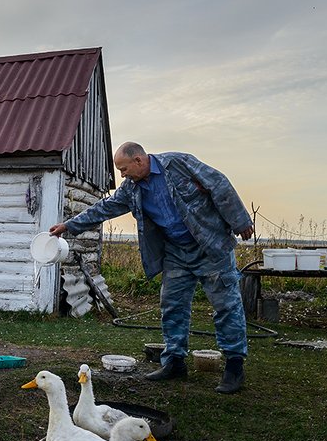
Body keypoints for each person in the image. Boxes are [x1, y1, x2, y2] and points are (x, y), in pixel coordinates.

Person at [49, 142, 254, 394]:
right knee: (172, 304)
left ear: (139, 160)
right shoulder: (131, 188)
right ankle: (174, 361)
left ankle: (234, 366)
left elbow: (218, 184)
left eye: (124, 169)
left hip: (210, 245)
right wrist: (69, 225)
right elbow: (105, 208)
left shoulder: (178, 164)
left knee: (226, 305)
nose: (122, 175)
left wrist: (240, 220)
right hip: (176, 252)